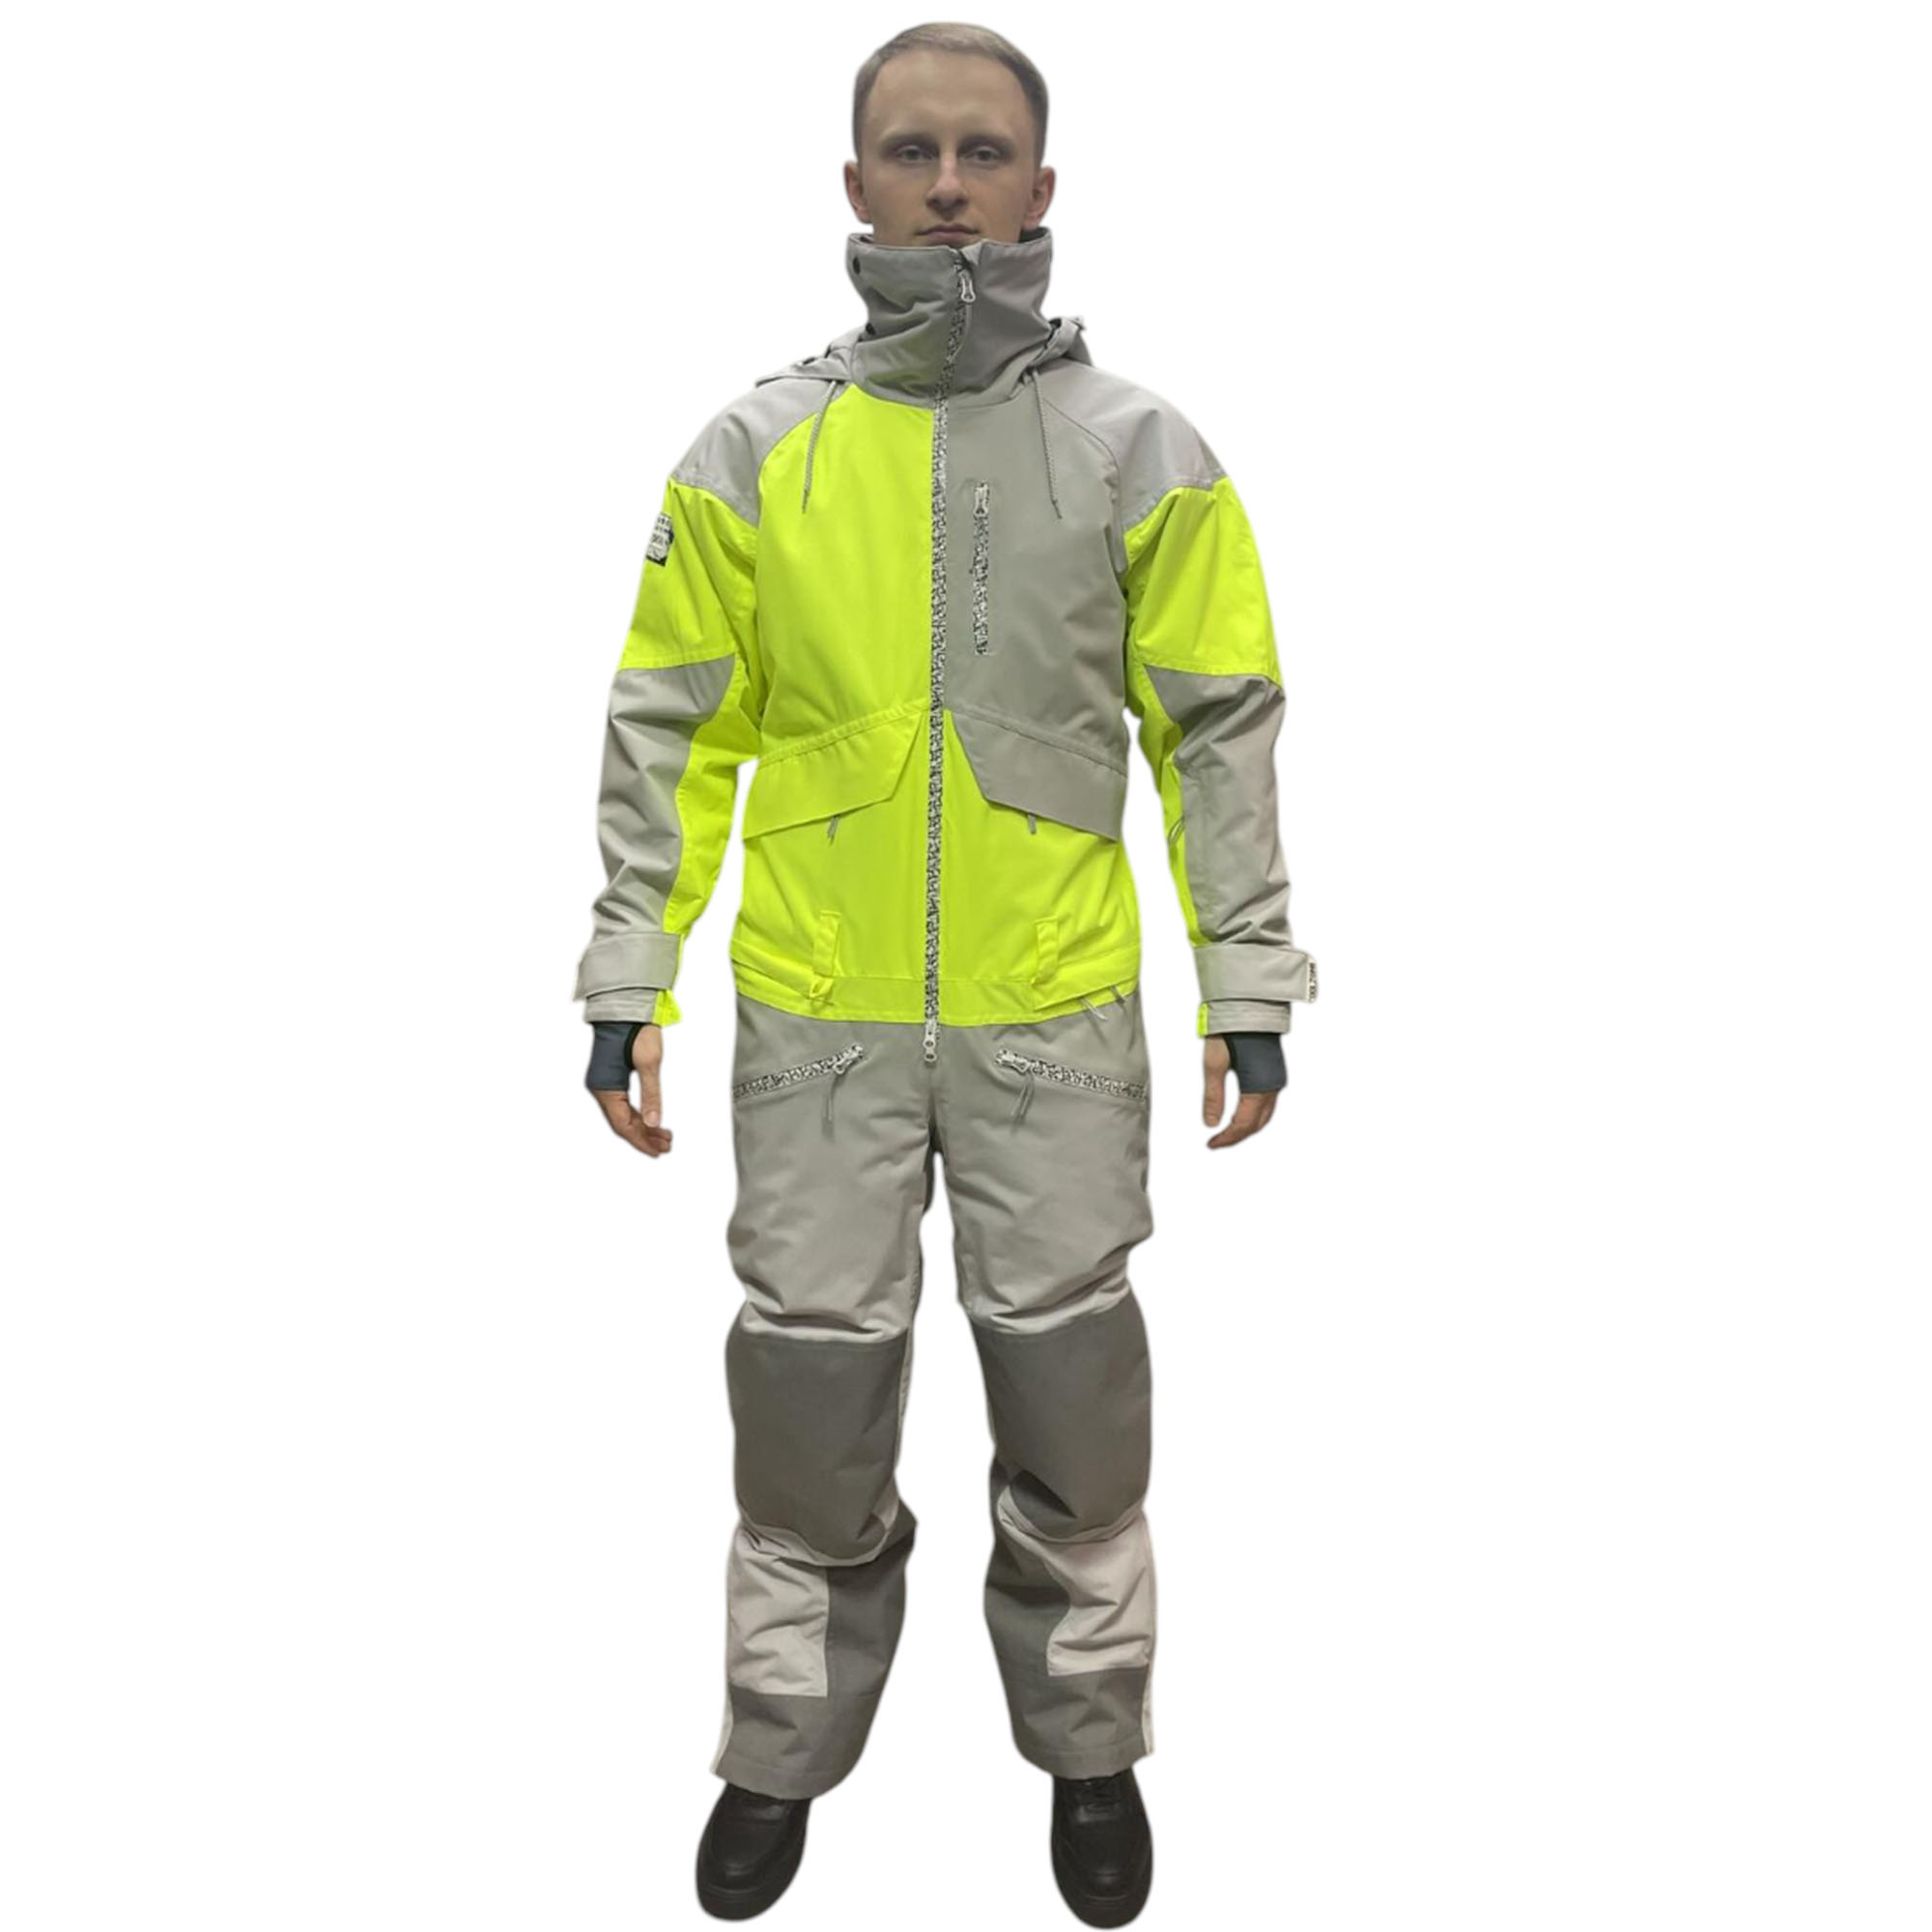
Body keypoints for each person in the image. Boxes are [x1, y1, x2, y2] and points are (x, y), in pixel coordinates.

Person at [572, 23, 1318, 1925]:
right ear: (855, 186)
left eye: (985, 151)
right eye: (912, 152)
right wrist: (630, 968)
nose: (951, 185)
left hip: (1050, 1012)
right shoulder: (753, 452)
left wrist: (1245, 974)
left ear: (1044, 186)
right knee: (807, 1408)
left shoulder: (1139, 450)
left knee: (1072, 1407)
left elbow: (1215, 725)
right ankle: (778, 1753)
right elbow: (673, 723)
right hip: (817, 1015)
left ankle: (1088, 1750)